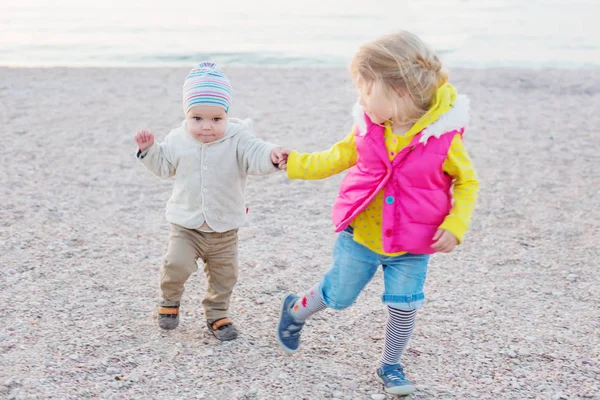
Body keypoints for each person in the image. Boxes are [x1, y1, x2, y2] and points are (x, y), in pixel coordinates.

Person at [275, 31, 479, 395]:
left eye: (365, 90)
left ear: (398, 90)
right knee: (338, 296)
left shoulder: (443, 137)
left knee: (405, 305)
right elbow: (334, 158)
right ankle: (294, 311)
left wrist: (456, 224)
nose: (360, 99)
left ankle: (391, 365)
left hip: (413, 245)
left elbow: (467, 183)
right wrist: (294, 162)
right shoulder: (368, 129)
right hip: (362, 238)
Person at [135, 62, 284, 341]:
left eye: (216, 119)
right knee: (175, 264)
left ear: (226, 115)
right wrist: (148, 150)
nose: (206, 127)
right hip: (186, 226)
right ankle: (169, 300)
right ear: (187, 115)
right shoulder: (177, 138)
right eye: (197, 119)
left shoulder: (238, 137)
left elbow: (256, 152)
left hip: (225, 229)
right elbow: (164, 167)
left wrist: (272, 155)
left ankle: (217, 314)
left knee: (225, 276)